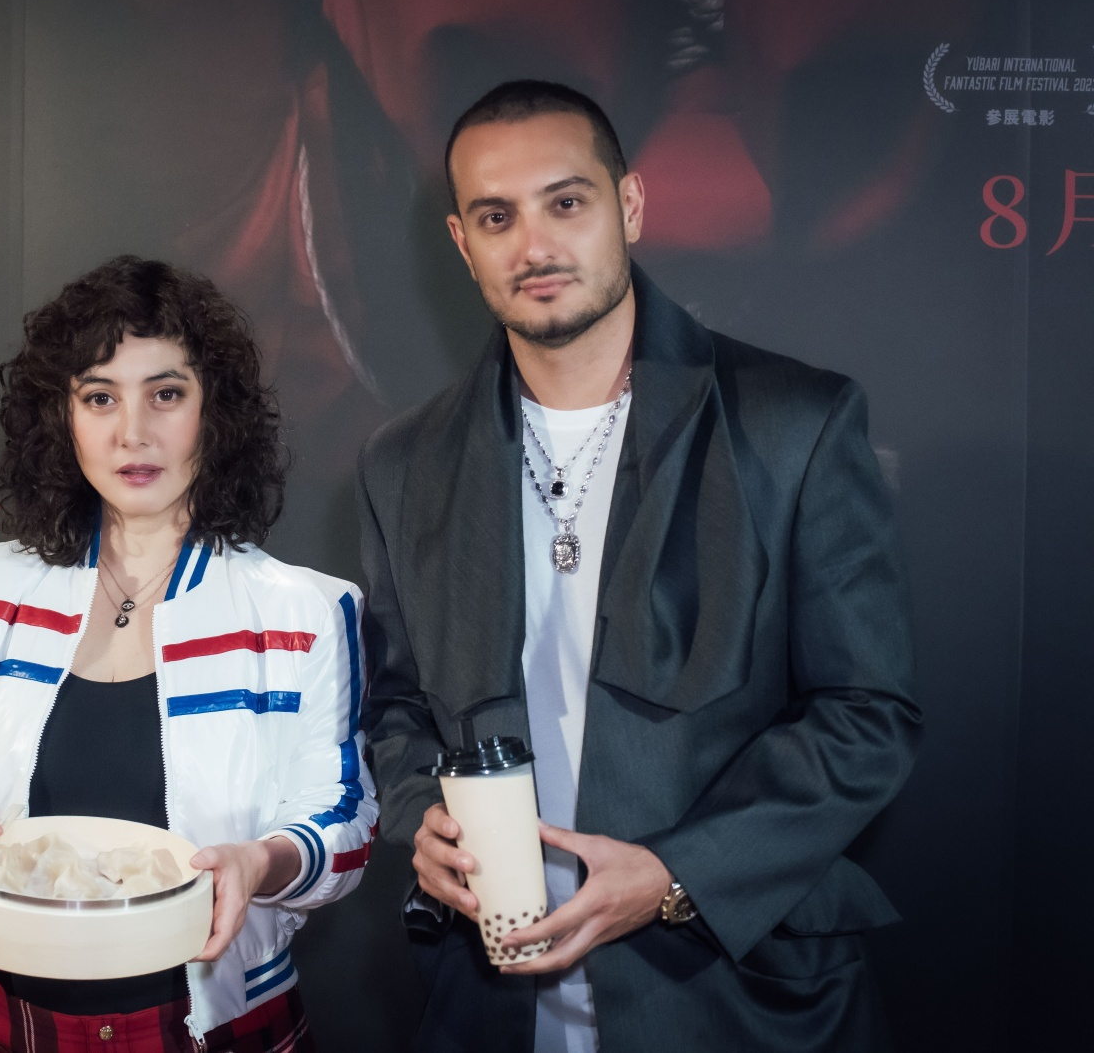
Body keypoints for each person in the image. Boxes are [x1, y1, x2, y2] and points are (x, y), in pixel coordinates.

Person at [356, 80, 921, 1052]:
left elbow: (867, 714)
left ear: (629, 205)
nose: (533, 245)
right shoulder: (403, 462)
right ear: (461, 242)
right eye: (497, 216)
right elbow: (395, 707)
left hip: (732, 1003)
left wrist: (674, 875)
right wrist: (420, 815)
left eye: (565, 202)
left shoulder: (794, 424)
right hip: (491, 1006)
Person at [0, 255, 377, 1052]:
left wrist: (259, 863)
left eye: (166, 394)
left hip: (221, 1025)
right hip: (19, 1020)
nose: (133, 433)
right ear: (62, 416)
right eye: (100, 397)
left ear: (215, 411)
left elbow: (345, 822)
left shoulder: (303, 613)